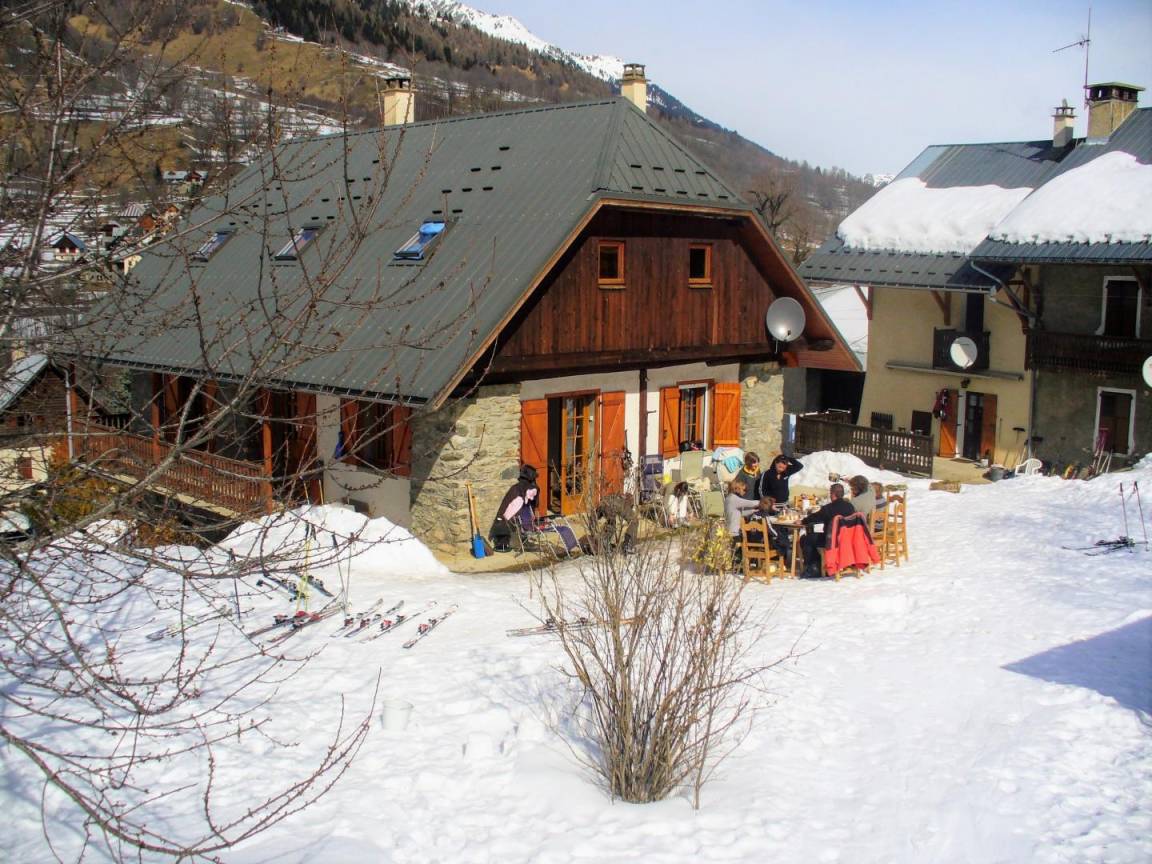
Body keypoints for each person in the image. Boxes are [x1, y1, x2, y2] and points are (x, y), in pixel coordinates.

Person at [799, 482, 856, 578]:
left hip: (832, 541)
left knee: (806, 539)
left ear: (833, 494)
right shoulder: (850, 506)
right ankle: (820, 564)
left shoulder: (828, 508)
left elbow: (815, 517)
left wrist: (802, 521)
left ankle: (814, 567)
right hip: (847, 539)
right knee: (813, 537)